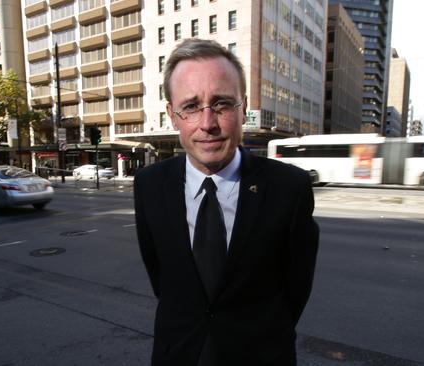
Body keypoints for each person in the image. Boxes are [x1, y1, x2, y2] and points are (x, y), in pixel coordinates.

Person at [134, 38, 319, 366]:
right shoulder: (149, 185)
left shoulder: (289, 188)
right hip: (178, 354)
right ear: (172, 116)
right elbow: (161, 278)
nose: (208, 123)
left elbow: (296, 288)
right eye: (191, 106)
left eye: (221, 104)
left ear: (242, 107)